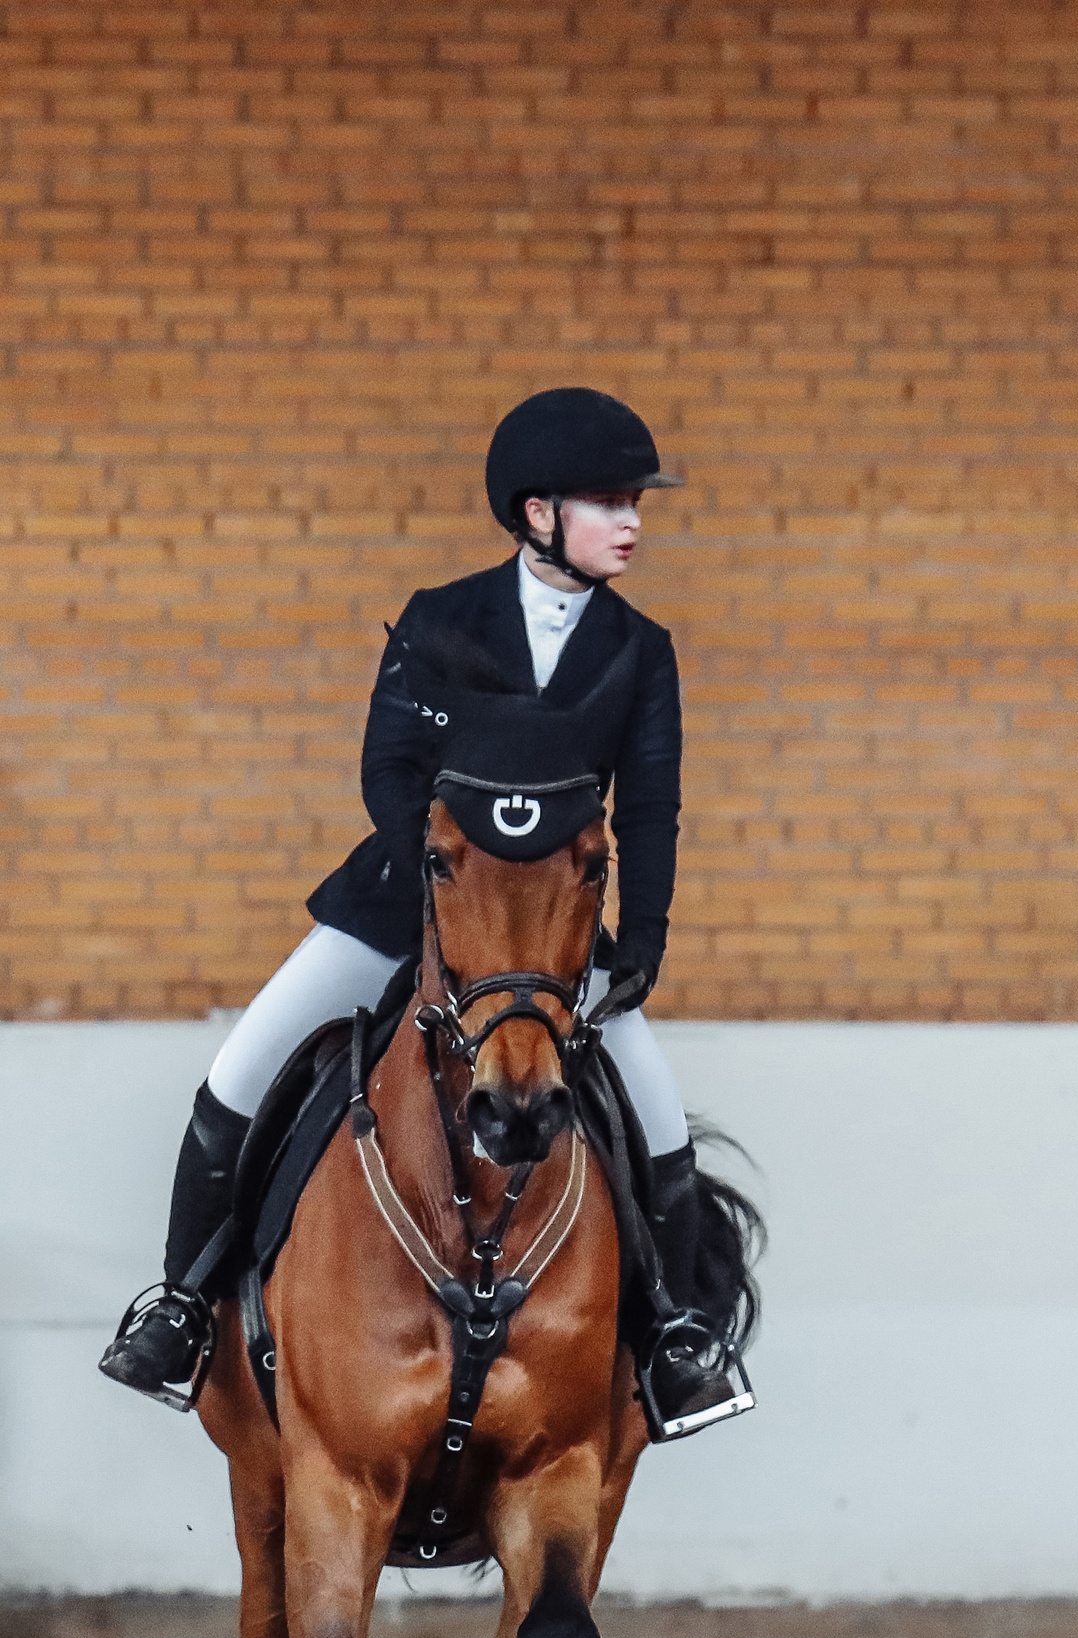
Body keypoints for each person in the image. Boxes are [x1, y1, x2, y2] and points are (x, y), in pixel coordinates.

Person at [98, 386, 751, 1438]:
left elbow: (656, 809)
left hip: (549, 940)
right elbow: (388, 767)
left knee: (660, 1126)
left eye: (635, 502)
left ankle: (677, 1339)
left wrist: (644, 943)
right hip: (404, 905)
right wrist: (449, 894)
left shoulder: (640, 651)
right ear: (537, 512)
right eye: (607, 501)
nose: (632, 521)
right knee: (234, 1079)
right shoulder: (444, 618)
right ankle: (179, 1305)